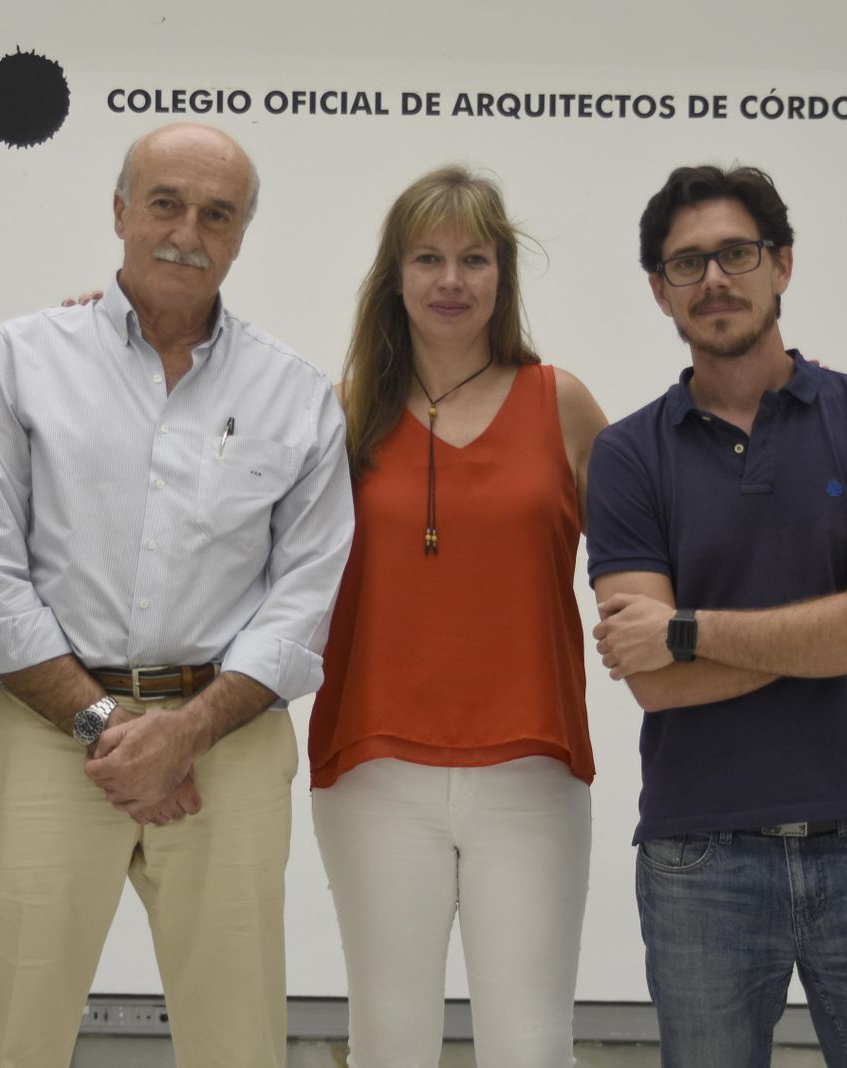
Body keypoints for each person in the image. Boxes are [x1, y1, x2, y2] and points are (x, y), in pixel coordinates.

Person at [0, 122, 353, 1067]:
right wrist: (104, 726)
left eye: (218, 214)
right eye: (164, 203)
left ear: (242, 235)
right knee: (13, 1034)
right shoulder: (16, 361)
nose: (187, 232)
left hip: (228, 745)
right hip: (45, 734)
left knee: (237, 1038)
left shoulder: (295, 395)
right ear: (120, 211)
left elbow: (305, 596)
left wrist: (185, 732)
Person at [587, 164, 847, 1067]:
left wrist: (689, 629)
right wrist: (827, 632)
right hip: (700, 858)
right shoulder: (626, 454)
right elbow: (652, 681)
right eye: (688, 264)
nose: (715, 279)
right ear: (660, 291)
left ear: (782, 266)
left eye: (736, 253)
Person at [307, 165, 608, 1067]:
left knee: (530, 1047)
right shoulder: (342, 414)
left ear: (502, 275)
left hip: (532, 769)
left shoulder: (562, 402)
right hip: (374, 768)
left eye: (473, 259)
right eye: (428, 257)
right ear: (394, 275)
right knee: (388, 1045)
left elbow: (672, 536)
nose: (450, 281)